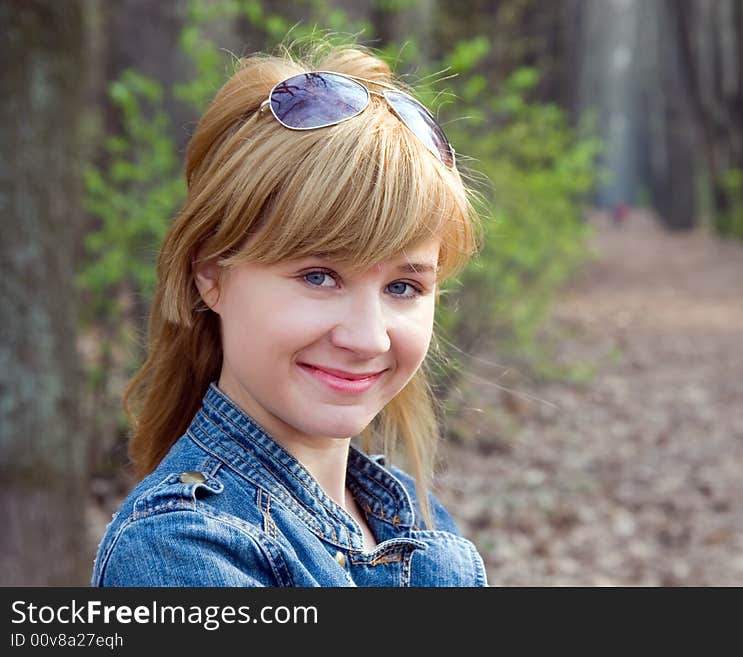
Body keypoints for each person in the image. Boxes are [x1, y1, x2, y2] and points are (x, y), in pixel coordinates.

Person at [91, 42, 487, 587]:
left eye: (403, 285)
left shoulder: (410, 516)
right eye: (319, 276)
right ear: (211, 275)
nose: (368, 338)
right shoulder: (180, 552)